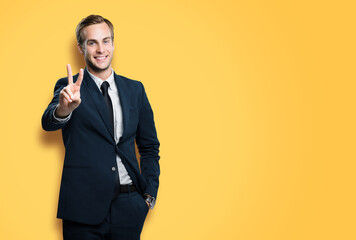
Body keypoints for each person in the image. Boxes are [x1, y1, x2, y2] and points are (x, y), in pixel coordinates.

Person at [42, 14, 160, 240]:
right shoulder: (69, 87)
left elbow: (150, 147)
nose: (100, 49)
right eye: (92, 42)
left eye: (105, 41)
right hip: (82, 207)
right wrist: (64, 109)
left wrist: (148, 196)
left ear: (113, 44)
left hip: (130, 205)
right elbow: (48, 121)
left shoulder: (135, 90)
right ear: (81, 47)